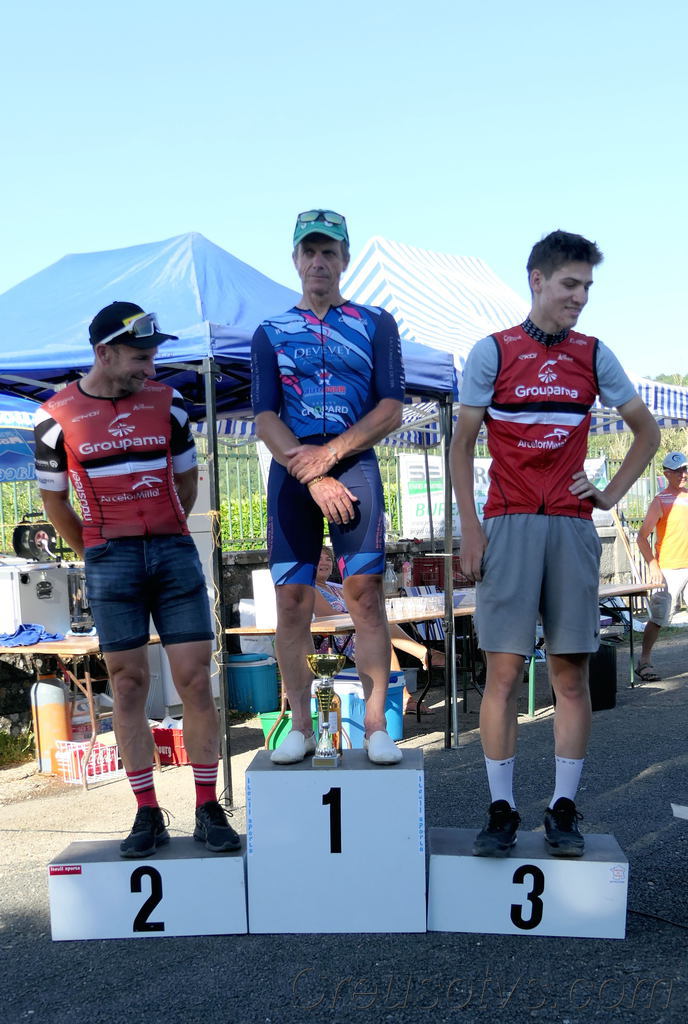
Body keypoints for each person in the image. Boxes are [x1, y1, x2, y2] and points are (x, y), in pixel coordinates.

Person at [450, 230, 659, 858]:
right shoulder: (493, 351)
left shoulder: (593, 353)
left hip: (570, 524)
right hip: (508, 522)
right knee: (503, 673)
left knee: (571, 676)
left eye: (587, 286)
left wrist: (610, 494)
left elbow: (646, 433)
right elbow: (461, 445)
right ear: (537, 280)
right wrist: (471, 530)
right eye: (571, 284)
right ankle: (501, 809)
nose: (581, 297)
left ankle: (562, 809)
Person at [34, 301, 240, 858]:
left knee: (194, 679)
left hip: (172, 552)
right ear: (104, 353)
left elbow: (188, 483)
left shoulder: (171, 405)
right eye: (139, 357)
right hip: (110, 557)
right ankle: (147, 811)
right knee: (128, 686)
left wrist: (165, 533)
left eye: (152, 358)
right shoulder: (54, 417)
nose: (150, 368)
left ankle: (207, 806)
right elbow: (55, 504)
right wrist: (97, 552)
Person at [251, 209, 405, 765]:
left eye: (329, 252)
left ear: (345, 260)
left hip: (354, 464)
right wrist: (313, 474)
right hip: (294, 474)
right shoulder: (270, 332)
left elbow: (391, 407)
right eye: (310, 252)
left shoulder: (375, 323)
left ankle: (376, 726)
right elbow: (264, 416)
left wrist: (332, 456)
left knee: (365, 596)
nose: (319, 262)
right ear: (295, 259)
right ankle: (300, 726)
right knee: (291, 602)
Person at [312, 545, 444, 713]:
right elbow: (328, 615)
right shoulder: (310, 588)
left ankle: (409, 689)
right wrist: (362, 616)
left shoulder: (335, 588)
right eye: (319, 559)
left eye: (328, 559)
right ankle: (424, 657)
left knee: (379, 628)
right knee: (379, 635)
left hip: (355, 630)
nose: (325, 563)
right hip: (331, 637)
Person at [635, 451, 688, 681]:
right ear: (666, 474)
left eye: (685, 469)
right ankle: (644, 661)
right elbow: (641, 537)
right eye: (678, 471)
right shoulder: (660, 501)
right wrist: (653, 565)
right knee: (658, 618)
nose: (683, 474)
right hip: (668, 569)